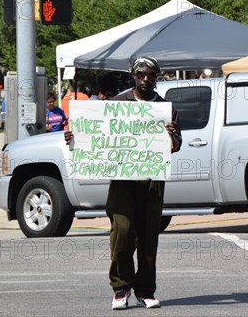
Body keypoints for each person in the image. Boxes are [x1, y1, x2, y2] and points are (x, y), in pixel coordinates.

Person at [65, 57, 181, 310]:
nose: (146, 78)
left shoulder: (165, 108)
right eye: (141, 74)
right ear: (133, 76)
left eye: (151, 75)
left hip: (152, 183)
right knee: (122, 234)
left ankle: (146, 291)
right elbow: (96, 135)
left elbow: (175, 146)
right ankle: (120, 288)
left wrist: (170, 137)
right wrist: (75, 137)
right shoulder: (117, 104)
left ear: (156, 78)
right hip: (122, 182)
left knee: (149, 239)